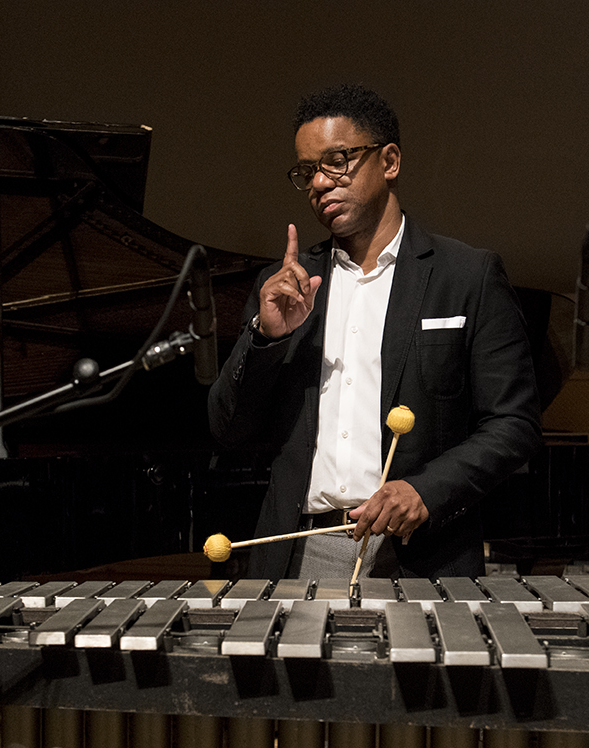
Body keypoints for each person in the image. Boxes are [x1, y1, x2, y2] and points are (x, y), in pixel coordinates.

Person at [208, 84, 542, 580]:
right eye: (307, 172)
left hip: (420, 555)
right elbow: (227, 430)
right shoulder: (286, 288)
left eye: (337, 161)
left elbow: (513, 425)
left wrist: (425, 491)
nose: (320, 182)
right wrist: (266, 337)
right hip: (302, 553)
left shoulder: (466, 276)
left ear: (389, 161)